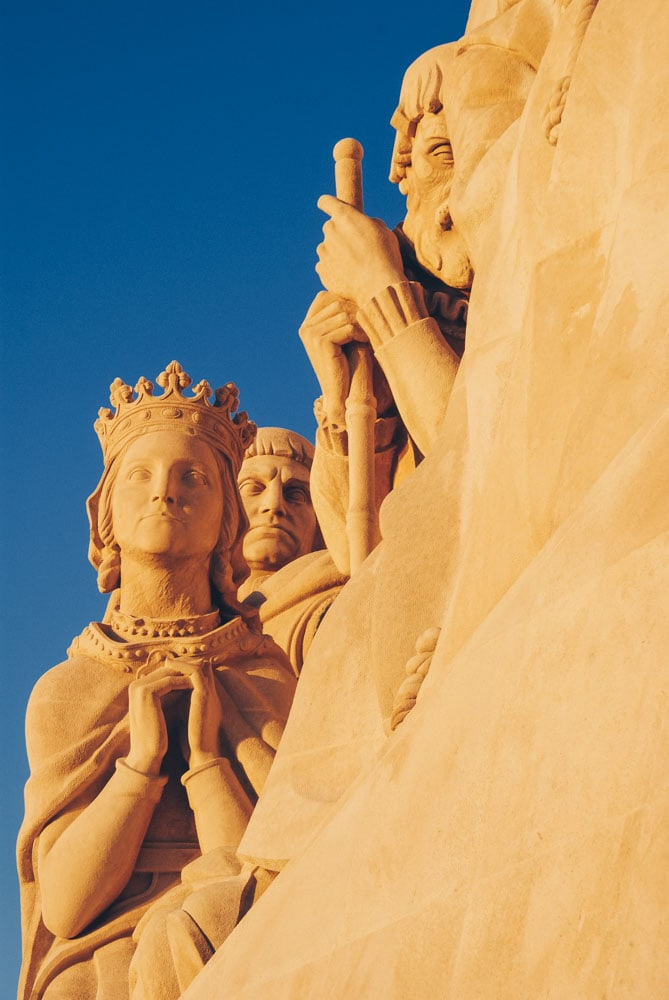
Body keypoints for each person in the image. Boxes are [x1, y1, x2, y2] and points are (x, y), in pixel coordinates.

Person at [17, 362, 297, 1000]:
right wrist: (140, 769)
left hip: (241, 935)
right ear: (105, 517)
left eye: (194, 477)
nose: (165, 493)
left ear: (228, 520)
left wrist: (205, 760)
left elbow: (272, 872)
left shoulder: (269, 675)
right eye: (140, 475)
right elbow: (64, 908)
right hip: (101, 959)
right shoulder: (65, 690)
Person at [300, 43, 472, 573]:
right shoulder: (398, 279)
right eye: (445, 154)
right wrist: (338, 402)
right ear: (406, 170)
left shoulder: (522, 276)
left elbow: (481, 457)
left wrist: (381, 290)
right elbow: (356, 556)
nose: (465, 189)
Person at [237, 427, 346, 675]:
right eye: (253, 488)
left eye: (296, 494)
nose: (274, 505)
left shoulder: (335, 603)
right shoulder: (192, 620)